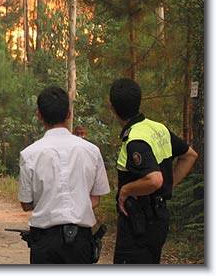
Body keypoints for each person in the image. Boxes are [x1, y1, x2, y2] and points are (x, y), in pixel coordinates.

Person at [108, 78, 198, 264]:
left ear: (113, 108)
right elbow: (190, 155)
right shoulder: (158, 128)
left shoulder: (135, 140)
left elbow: (154, 180)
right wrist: (170, 182)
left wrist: (126, 190)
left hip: (138, 222)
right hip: (158, 219)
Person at [18, 86, 110, 264]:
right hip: (81, 242)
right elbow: (96, 199)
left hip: (45, 242)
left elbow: (26, 204)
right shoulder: (92, 151)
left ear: (39, 115)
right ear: (68, 114)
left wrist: (49, 202)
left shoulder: (29, 154)